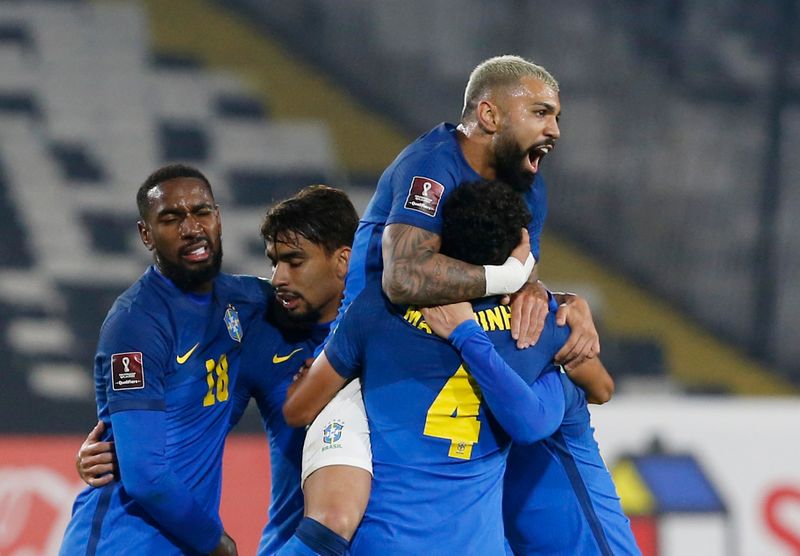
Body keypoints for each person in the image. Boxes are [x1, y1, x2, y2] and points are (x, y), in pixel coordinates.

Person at [283, 180, 626, 554]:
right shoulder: (537, 324)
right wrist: (565, 307)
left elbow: (300, 407)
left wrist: (351, 388)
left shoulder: (377, 309)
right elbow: (601, 389)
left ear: (439, 243)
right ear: (515, 252)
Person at [75, 185, 363, 555]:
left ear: (343, 261)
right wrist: (118, 449)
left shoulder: (395, 326)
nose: (278, 278)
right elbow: (181, 423)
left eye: (294, 261)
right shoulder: (255, 321)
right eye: (274, 261)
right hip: (295, 544)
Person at [60, 164, 271, 555]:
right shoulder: (136, 324)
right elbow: (144, 476)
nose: (192, 228)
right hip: (120, 542)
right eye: (171, 218)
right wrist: (217, 543)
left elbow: (319, 302)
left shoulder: (246, 302)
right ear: (146, 234)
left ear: (218, 217)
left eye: (202, 212)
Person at [423, 180, 639, 555]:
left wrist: (563, 307)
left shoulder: (450, 324)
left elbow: (598, 390)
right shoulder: (536, 327)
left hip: (586, 544)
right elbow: (601, 387)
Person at [341, 54, 599, 361]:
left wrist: (556, 299)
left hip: (445, 353)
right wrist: (511, 280)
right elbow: (404, 276)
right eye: (540, 113)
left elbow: (519, 278)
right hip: (364, 357)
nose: (554, 130)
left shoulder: (529, 185)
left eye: (556, 118)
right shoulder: (431, 165)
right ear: (490, 116)